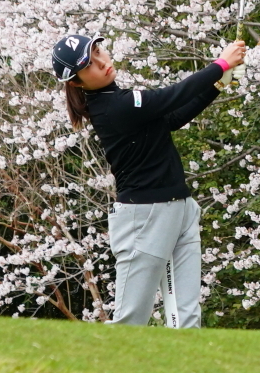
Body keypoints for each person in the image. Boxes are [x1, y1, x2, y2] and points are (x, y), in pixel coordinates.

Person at [52, 33, 247, 328]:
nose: (102, 62)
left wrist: (219, 83)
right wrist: (220, 64)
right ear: (77, 82)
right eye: (89, 64)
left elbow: (172, 119)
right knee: (131, 320)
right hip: (144, 218)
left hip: (179, 208)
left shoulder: (119, 100)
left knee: (186, 317)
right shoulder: (115, 106)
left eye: (99, 51)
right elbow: (172, 96)